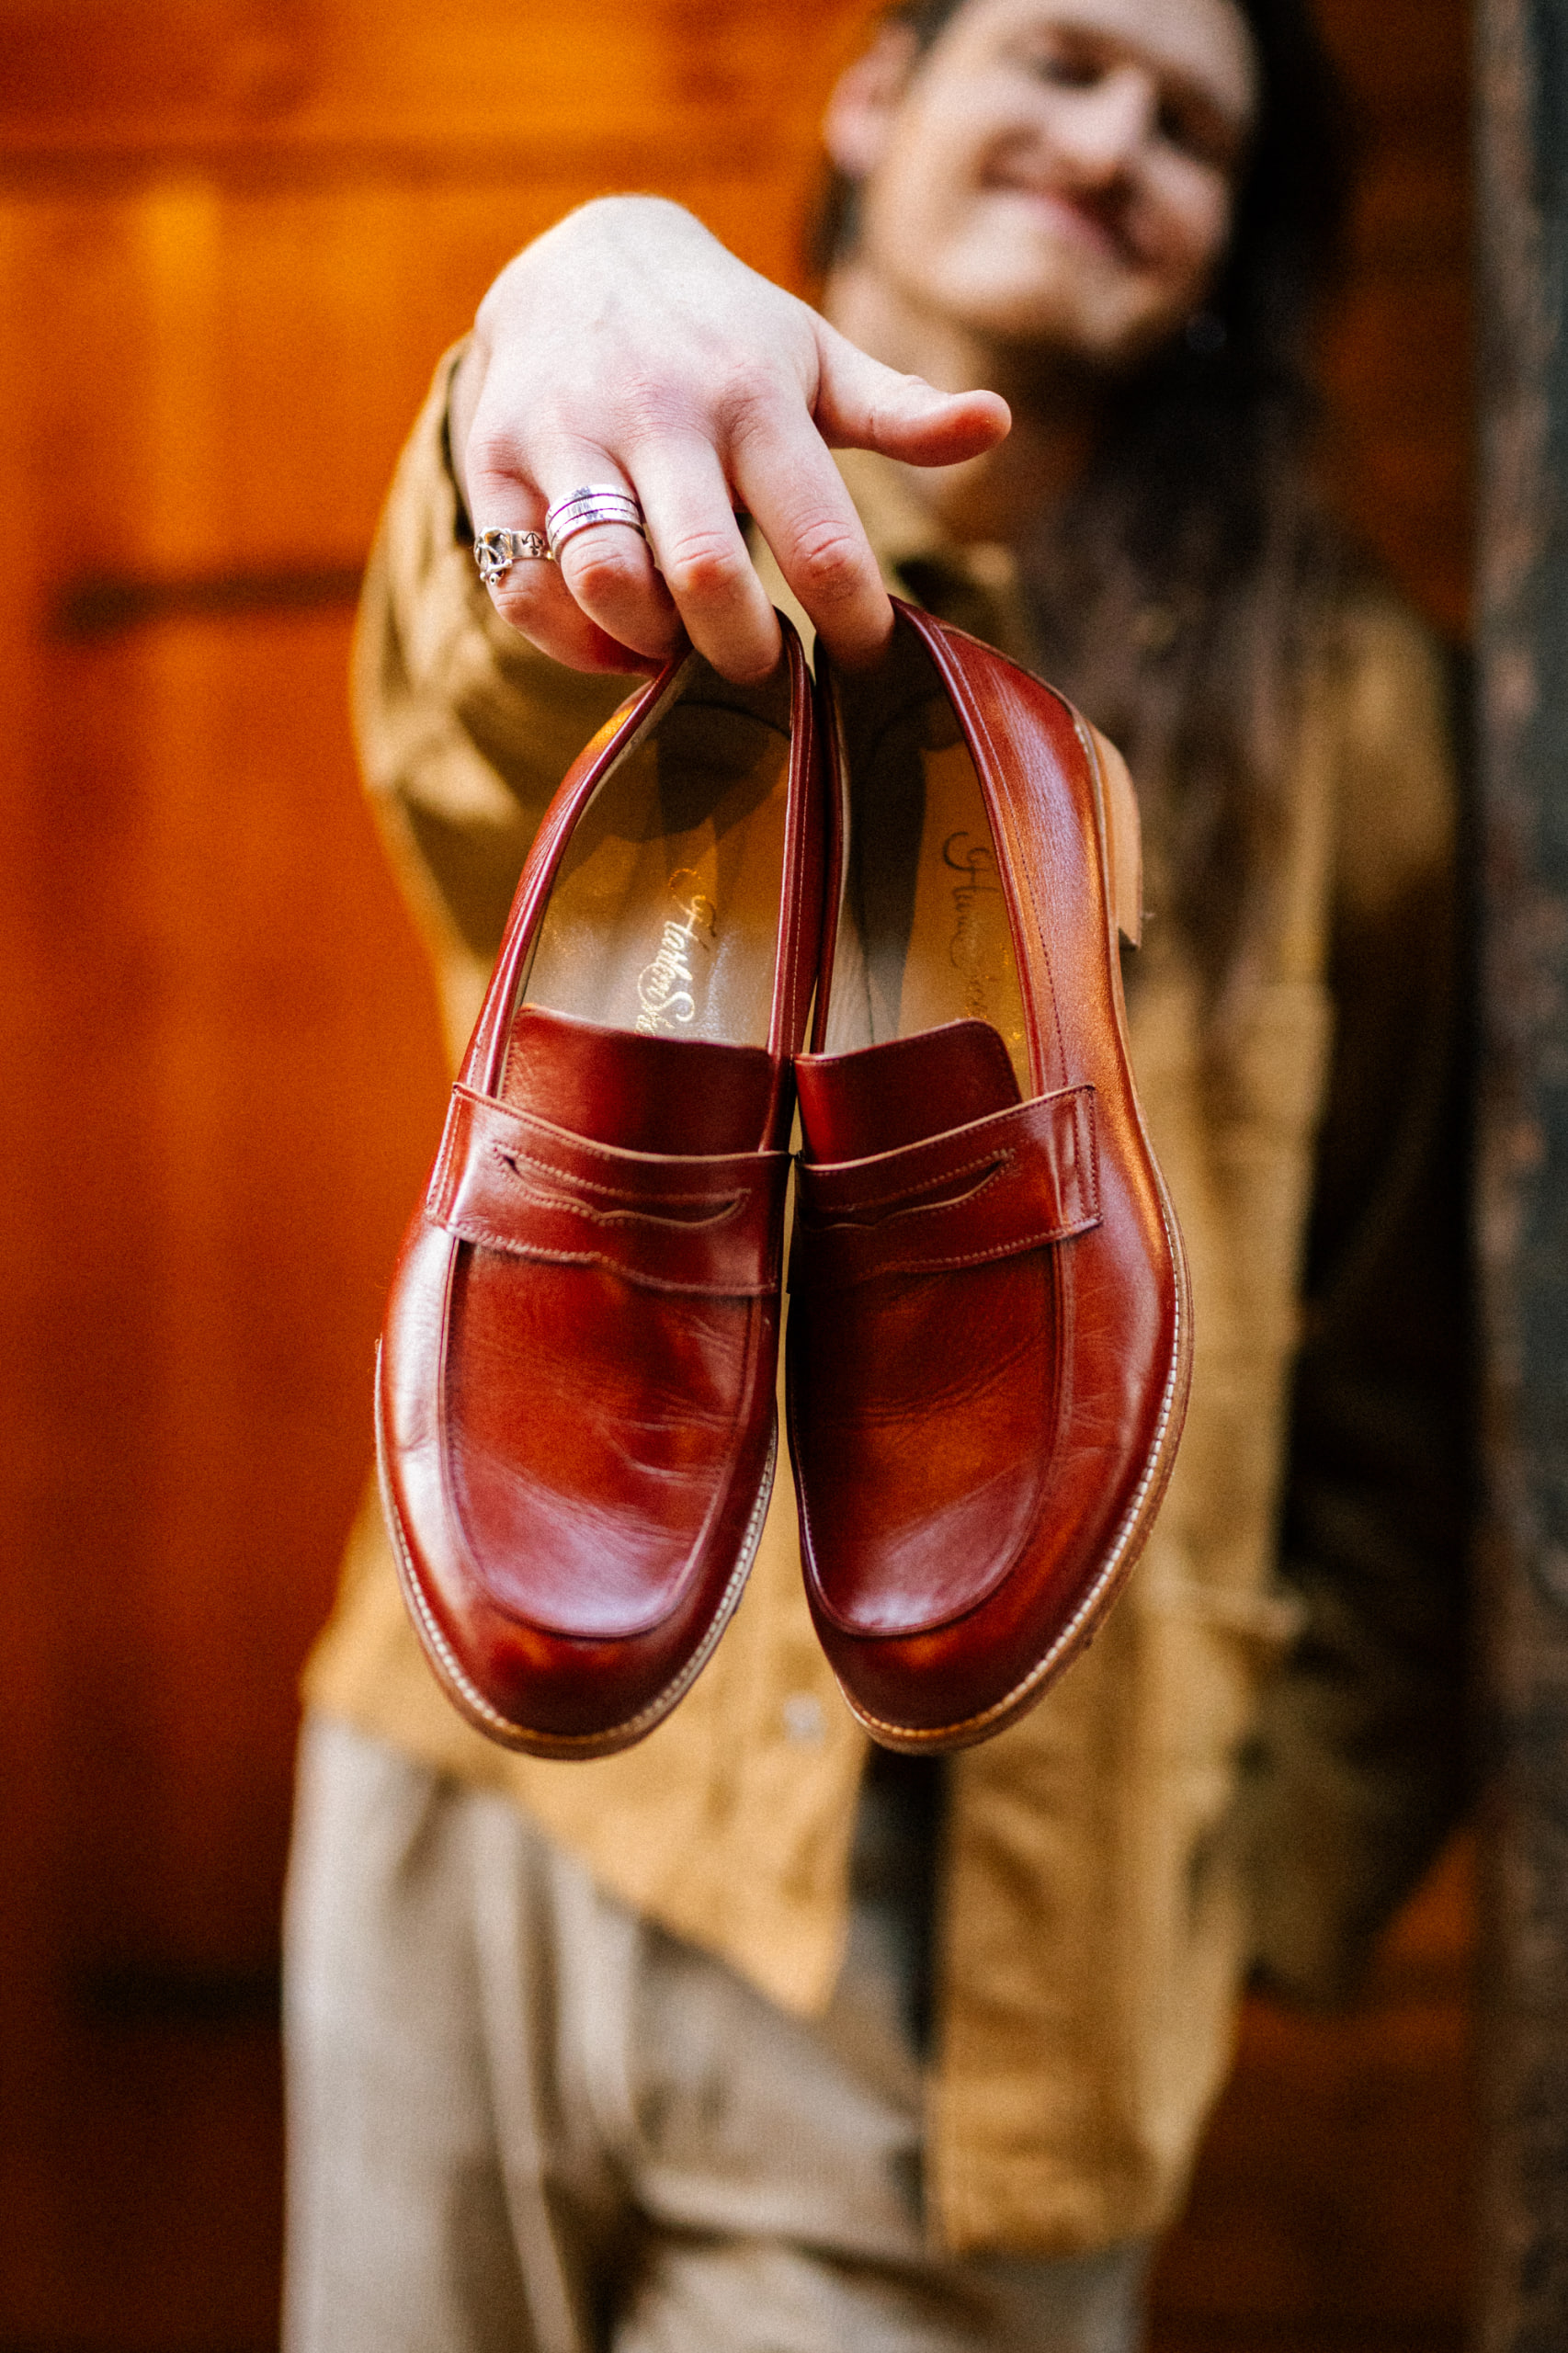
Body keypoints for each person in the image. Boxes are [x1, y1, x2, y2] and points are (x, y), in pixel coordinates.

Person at [284, 1, 1470, 2347]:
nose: (1114, 138)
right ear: (875, 93)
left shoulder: (1351, 720)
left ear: (1234, 236)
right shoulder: (648, 562)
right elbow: (462, 721)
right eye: (1056, 59)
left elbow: (1410, 1382)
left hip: (985, 1951)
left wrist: (1235, 1887)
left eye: (1191, 127)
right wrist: (565, 324)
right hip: (481, 1770)